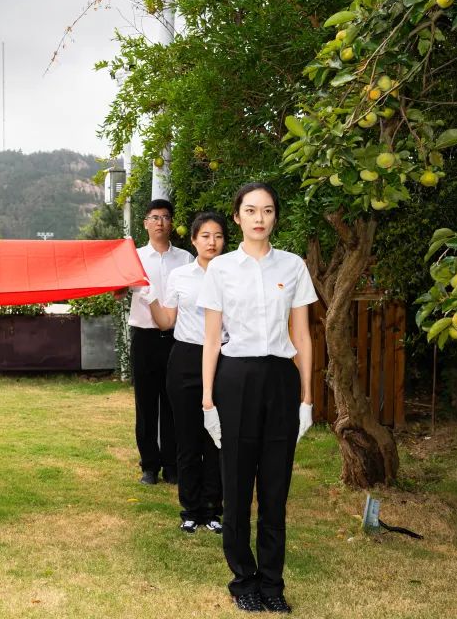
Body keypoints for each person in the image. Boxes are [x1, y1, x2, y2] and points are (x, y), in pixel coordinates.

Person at [197, 182, 317, 613]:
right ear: (237, 217)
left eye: (267, 210)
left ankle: (272, 583)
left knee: (274, 489)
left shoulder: (293, 266)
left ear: (275, 216)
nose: (259, 218)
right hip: (235, 380)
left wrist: (306, 398)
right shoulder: (221, 269)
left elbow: (301, 334)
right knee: (236, 486)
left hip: (280, 380)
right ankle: (243, 580)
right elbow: (212, 339)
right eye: (250, 210)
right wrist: (208, 401)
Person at [149, 210, 227, 534]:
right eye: (205, 236)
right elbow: (166, 321)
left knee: (217, 438)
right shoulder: (180, 276)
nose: (212, 242)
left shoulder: (233, 275)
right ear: (193, 240)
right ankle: (191, 510)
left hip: (224, 358)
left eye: (218, 236)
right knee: (187, 438)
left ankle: (213, 509)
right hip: (184, 359)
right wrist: (148, 297)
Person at [129, 198, 192, 485]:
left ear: (172, 223)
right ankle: (149, 466)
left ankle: (172, 465)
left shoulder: (186, 259)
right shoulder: (134, 258)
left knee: (172, 402)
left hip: (176, 338)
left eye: (165, 217)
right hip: (144, 337)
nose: (160, 223)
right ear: (145, 223)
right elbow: (118, 291)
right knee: (145, 404)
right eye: (154, 217)